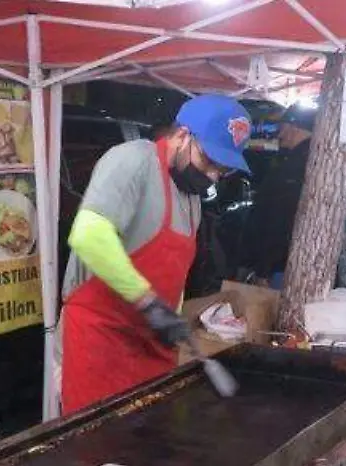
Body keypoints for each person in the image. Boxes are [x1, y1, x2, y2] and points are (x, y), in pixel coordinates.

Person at [59, 94, 252, 414]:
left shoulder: (191, 198)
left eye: (223, 170)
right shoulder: (133, 160)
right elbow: (88, 235)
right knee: (94, 449)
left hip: (151, 346)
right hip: (100, 341)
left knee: (147, 444)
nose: (214, 176)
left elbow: (172, 272)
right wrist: (148, 302)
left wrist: (172, 318)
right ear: (180, 136)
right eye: (209, 161)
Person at [241, 105, 316, 289]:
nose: (278, 134)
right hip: (293, 263)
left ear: (293, 127)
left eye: (280, 128)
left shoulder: (295, 167)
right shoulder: (309, 160)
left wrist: (263, 269)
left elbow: (278, 221)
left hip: (280, 267)